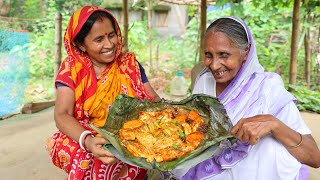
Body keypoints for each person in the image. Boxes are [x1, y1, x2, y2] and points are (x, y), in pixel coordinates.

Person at [170, 17, 320, 179]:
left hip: (256, 172)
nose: (214, 65)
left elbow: (314, 157)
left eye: (224, 55)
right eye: (208, 55)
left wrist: (274, 124)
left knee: (268, 147)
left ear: (245, 52)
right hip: (210, 170)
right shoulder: (204, 81)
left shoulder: (267, 88)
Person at [45, 6, 160, 180]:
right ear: (80, 44)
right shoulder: (72, 70)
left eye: (111, 35)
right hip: (88, 135)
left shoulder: (130, 65)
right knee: (91, 154)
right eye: (99, 39)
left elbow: (153, 99)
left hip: (128, 133)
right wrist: (88, 140)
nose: (109, 44)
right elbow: (62, 114)